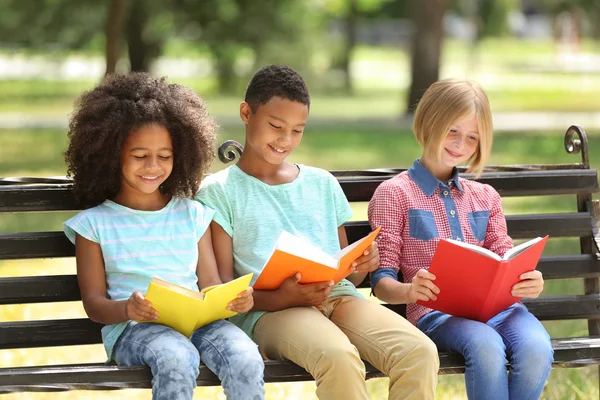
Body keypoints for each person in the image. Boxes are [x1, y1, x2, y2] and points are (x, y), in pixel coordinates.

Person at [196, 64, 439, 400]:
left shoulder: (321, 183)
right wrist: (284, 297)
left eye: (297, 130)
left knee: (419, 351)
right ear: (246, 113)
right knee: (339, 358)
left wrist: (361, 264)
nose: (285, 140)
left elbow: (345, 276)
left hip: (337, 298)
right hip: (269, 312)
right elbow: (224, 291)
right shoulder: (219, 192)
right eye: (276, 126)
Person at [62, 72, 265, 400]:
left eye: (165, 156)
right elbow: (94, 304)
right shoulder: (94, 226)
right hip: (136, 331)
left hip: (198, 324)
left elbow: (210, 284)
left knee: (245, 357)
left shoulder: (192, 214)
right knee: (176, 357)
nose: (153, 166)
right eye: (140, 156)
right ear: (111, 154)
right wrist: (127, 309)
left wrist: (232, 300)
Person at [368, 79, 553, 400]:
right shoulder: (394, 194)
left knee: (536, 348)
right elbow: (381, 279)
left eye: (472, 137)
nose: (460, 144)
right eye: (452, 131)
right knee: (485, 345)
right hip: (437, 315)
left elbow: (504, 256)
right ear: (428, 122)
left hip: (500, 310)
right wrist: (410, 290)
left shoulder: (486, 196)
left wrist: (528, 280)